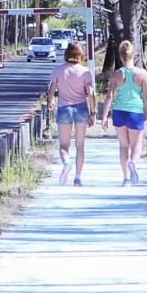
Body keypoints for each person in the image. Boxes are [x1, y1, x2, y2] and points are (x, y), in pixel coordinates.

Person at [100, 40, 147, 186]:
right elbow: (146, 97)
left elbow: (109, 96)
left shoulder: (116, 74)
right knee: (136, 145)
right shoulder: (142, 74)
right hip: (135, 112)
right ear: (133, 55)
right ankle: (133, 163)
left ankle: (126, 179)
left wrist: (104, 117)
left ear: (120, 56)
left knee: (123, 146)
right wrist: (145, 113)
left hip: (119, 112)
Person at [48, 41, 96, 186]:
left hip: (64, 108)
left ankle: (67, 163)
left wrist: (50, 102)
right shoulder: (85, 71)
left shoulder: (58, 70)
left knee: (64, 146)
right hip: (81, 108)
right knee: (80, 145)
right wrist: (93, 112)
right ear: (81, 54)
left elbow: (51, 89)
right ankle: (77, 177)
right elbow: (91, 93)